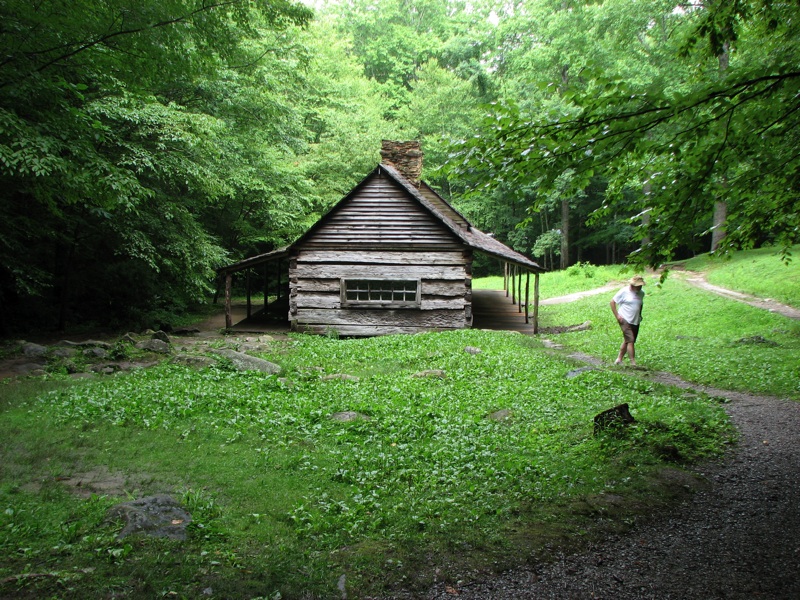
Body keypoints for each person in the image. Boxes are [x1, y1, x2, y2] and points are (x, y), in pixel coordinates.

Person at [610, 275, 645, 366]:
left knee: (627, 340)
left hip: (635, 320)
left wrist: (640, 315)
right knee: (631, 340)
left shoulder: (641, 293)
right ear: (633, 285)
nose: (640, 287)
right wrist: (617, 316)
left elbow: (640, 305)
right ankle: (633, 362)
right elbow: (612, 302)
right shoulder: (624, 291)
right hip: (624, 318)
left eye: (641, 285)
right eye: (638, 285)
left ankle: (619, 359)